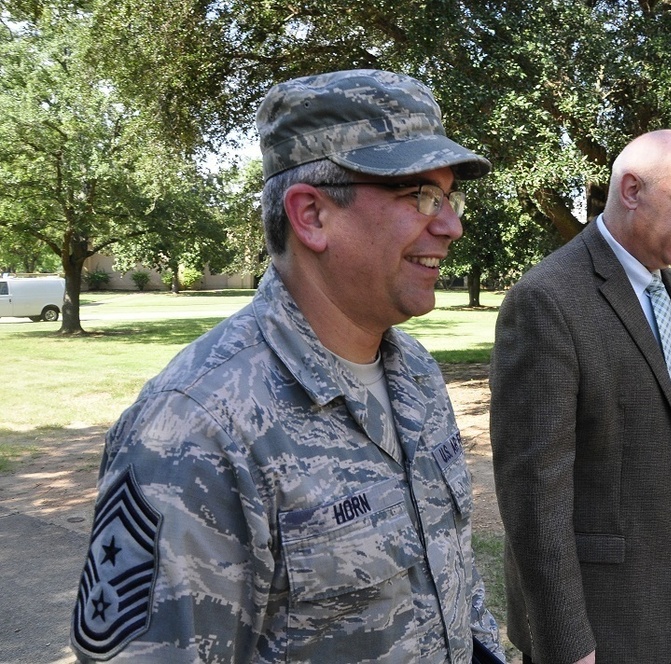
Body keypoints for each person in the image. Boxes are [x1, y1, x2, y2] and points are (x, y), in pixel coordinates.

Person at [71, 69, 506, 663]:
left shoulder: (416, 375)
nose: (451, 225)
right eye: (420, 196)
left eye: (450, 198)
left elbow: (451, 575)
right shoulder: (195, 429)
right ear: (311, 215)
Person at [490, 129, 671, 664]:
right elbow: (534, 495)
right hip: (600, 616)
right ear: (631, 190)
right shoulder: (546, 300)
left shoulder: (664, 281)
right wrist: (567, 644)